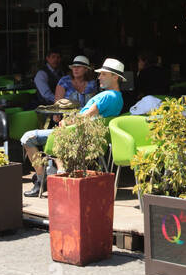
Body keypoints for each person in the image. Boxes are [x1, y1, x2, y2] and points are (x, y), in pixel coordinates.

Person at [23, 57, 126, 197]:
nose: (99, 77)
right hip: (87, 139)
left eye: (104, 74)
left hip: (73, 136)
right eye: (100, 73)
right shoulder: (118, 98)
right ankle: (55, 173)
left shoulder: (106, 96)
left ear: (115, 77)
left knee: (27, 138)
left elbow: (86, 116)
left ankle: (42, 180)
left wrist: (66, 123)